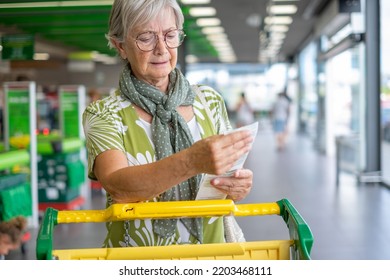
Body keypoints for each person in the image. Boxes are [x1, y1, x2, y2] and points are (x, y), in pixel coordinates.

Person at [82, 0, 253, 248]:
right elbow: (119, 186)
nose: (162, 49)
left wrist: (237, 187)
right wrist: (192, 161)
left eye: (170, 35)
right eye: (146, 38)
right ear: (121, 46)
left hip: (212, 256)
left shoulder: (210, 101)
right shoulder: (103, 113)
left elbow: (225, 179)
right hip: (136, 262)